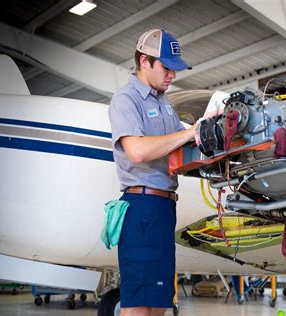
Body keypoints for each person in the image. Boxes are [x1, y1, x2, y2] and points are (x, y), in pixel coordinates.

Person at [108, 29, 196, 316]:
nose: (172, 75)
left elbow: (176, 152)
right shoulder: (126, 99)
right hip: (141, 208)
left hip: (162, 208)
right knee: (137, 305)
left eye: (175, 69)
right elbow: (137, 151)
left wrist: (205, 134)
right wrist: (188, 133)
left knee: (159, 301)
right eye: (166, 67)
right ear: (144, 61)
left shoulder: (165, 104)